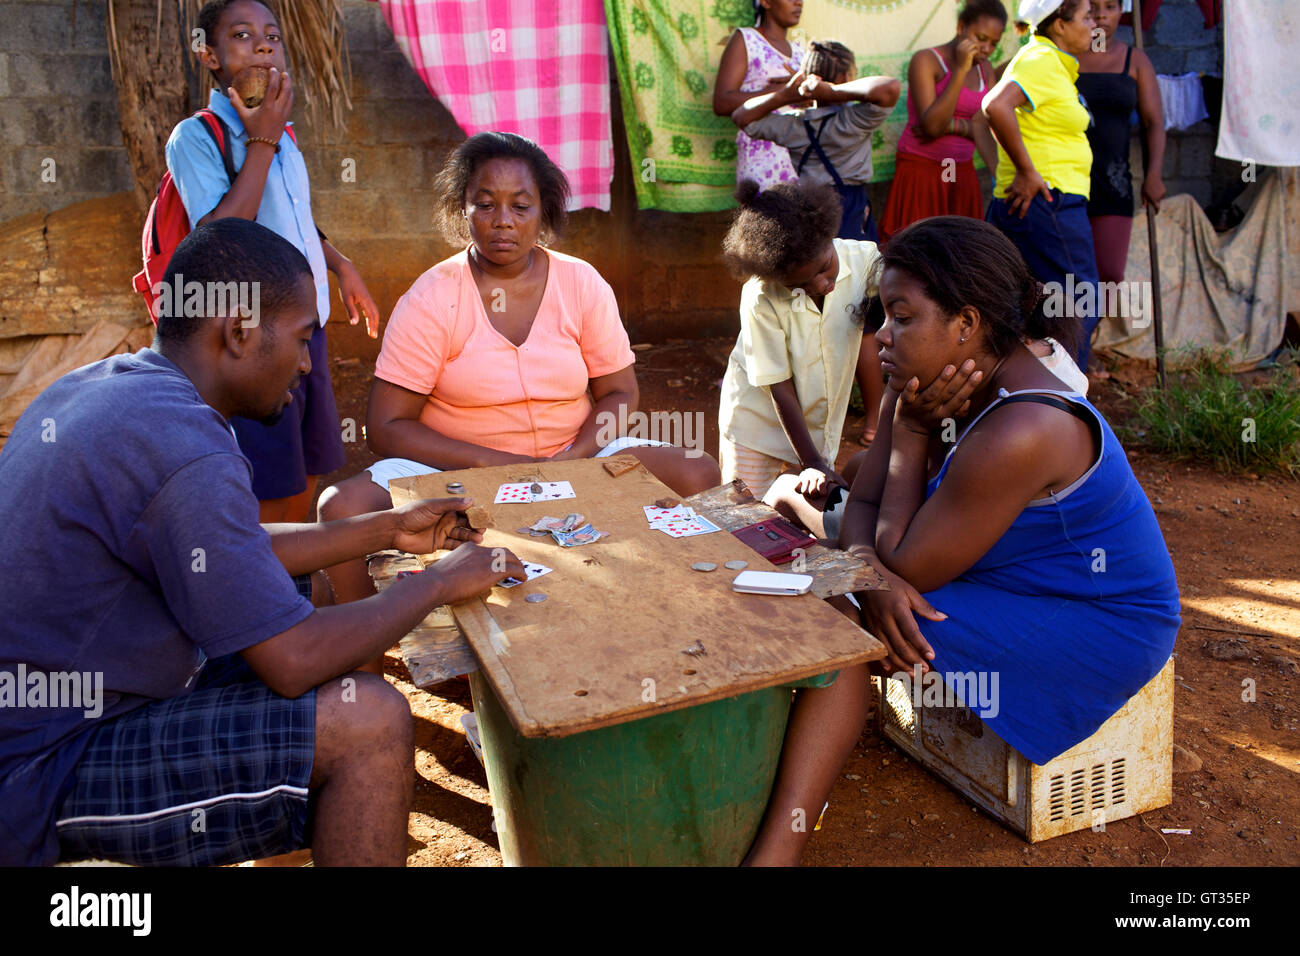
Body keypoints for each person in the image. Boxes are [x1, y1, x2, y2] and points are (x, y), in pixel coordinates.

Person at [0, 219, 524, 867]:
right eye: (304, 338)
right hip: (41, 766)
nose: (307, 363)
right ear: (241, 331)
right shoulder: (184, 449)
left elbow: (231, 547)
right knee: (369, 722)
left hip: (64, 699)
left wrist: (383, 530)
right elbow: (295, 660)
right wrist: (442, 583)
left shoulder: (120, 384)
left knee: (309, 587)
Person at [744, 217, 1180, 865]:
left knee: (839, 610)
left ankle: (774, 854)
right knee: (842, 572)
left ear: (966, 324)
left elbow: (904, 562)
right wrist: (865, 563)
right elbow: (868, 510)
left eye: (900, 316)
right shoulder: (927, 380)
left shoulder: (1025, 427)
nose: (882, 336)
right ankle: (792, 511)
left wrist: (910, 445)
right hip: (1007, 576)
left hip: (1101, 625)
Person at [318, 132, 720, 619]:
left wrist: (576, 456)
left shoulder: (581, 283)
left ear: (543, 213)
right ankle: (359, 653)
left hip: (574, 455)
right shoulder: (432, 296)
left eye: (521, 206)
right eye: (484, 204)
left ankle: (685, 612)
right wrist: (491, 464)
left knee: (697, 470)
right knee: (340, 506)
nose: (502, 221)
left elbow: (619, 391)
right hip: (457, 470)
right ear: (461, 208)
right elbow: (385, 427)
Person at [166, 0, 380, 523]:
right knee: (264, 477)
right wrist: (261, 138)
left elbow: (292, 220)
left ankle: (297, 578)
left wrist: (339, 263)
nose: (263, 44)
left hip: (306, 328)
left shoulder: (283, 134)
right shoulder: (197, 136)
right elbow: (221, 237)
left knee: (306, 464)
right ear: (208, 55)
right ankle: (266, 582)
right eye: (241, 35)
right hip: (254, 338)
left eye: (272, 35)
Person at [716, 180, 882, 500]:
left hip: (817, 432)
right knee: (745, 518)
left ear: (830, 237)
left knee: (804, 521)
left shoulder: (865, 262)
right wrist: (813, 462)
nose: (823, 285)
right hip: (756, 427)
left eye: (825, 268)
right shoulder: (760, 296)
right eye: (803, 284)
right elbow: (779, 385)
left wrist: (815, 462)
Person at [982, 0, 1102, 371]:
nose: (1095, 24)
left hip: (1043, 204)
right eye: (1086, 16)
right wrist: (1027, 171)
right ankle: (1062, 406)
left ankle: (1025, 400)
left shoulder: (1055, 65)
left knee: (1031, 310)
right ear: (1059, 25)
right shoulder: (1041, 60)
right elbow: (995, 106)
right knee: (1081, 304)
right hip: (1048, 203)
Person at [731, 41, 901, 242]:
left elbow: (741, 116)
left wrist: (784, 95)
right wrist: (832, 92)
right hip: (850, 207)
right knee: (855, 265)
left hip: (808, 209)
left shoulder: (794, 126)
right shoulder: (854, 120)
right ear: (846, 78)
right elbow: (890, 87)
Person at [879, 0, 1008, 243]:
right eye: (980, 37)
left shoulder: (986, 70)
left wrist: (956, 126)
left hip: (962, 172)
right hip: (922, 170)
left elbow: (988, 128)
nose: (986, 48)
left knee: (961, 255)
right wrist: (960, 69)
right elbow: (933, 126)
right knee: (916, 251)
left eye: (994, 43)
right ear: (961, 26)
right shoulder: (926, 60)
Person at [1077, 0, 1166, 300]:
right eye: (1093, 7)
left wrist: (1153, 175)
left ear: (1122, 11)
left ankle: (1084, 338)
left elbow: (1153, 122)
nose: (1101, 15)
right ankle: (1071, 344)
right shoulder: (1061, 56)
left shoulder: (1135, 60)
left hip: (1113, 183)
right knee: (1065, 277)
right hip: (1064, 180)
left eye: (1111, 6)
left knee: (1110, 276)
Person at [713, 0, 807, 191]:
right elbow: (721, 102)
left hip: (801, 164)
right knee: (765, 219)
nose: (799, 2)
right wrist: (780, 93)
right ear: (765, 2)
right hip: (762, 165)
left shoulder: (799, 51)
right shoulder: (746, 40)